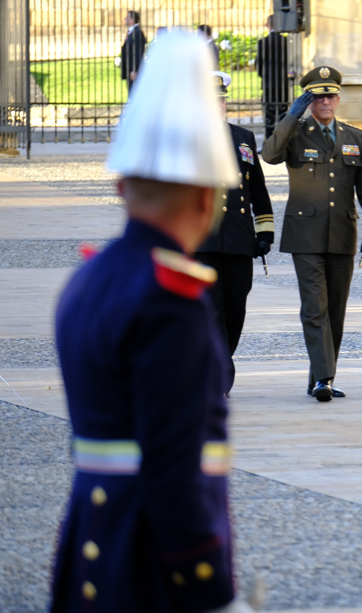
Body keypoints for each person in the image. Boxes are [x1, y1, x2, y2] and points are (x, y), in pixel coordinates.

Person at [49, 31, 251, 613]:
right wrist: (209, 589)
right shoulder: (169, 300)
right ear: (206, 201)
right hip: (152, 560)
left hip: (96, 535)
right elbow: (174, 467)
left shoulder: (91, 277)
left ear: (121, 187)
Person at [261, 67, 362, 402]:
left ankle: (321, 378)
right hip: (306, 234)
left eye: (330, 95)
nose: (325, 101)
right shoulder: (296, 133)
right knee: (314, 307)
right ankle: (324, 379)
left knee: (335, 312)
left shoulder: (353, 136)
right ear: (309, 100)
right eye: (318, 96)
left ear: (339, 98)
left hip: (343, 232)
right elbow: (269, 155)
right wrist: (292, 114)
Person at [194, 71, 274, 398]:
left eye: (222, 100)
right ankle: (218, 374)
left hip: (239, 241)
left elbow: (257, 187)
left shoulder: (243, 137)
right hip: (203, 240)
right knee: (211, 311)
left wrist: (264, 229)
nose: (218, 106)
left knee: (235, 309)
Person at [257, 15, 289, 140]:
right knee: (283, 114)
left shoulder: (263, 42)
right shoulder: (286, 42)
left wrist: (264, 76)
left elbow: (259, 64)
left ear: (268, 25)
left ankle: (269, 141)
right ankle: (282, 141)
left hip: (268, 83)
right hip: (283, 84)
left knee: (269, 116)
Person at [120, 10, 146, 96]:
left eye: (127, 17)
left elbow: (138, 53)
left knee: (134, 96)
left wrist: (134, 70)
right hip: (129, 71)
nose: (125, 19)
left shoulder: (137, 33)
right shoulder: (132, 32)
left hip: (133, 72)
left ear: (132, 19)